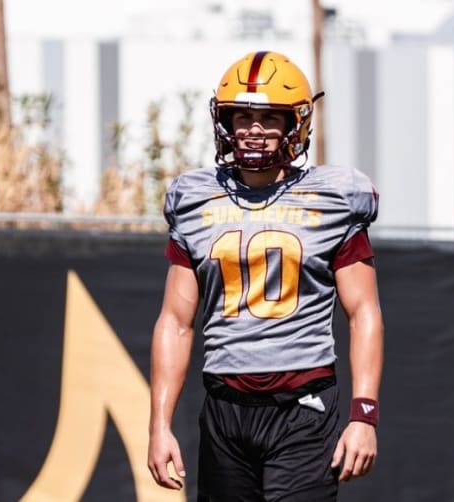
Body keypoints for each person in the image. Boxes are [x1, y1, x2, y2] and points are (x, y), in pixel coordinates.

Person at [147, 50, 384, 502]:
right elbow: (176, 322)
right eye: (242, 116)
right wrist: (159, 427)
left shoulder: (335, 197)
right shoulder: (193, 198)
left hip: (304, 404)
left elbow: (364, 311)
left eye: (269, 118)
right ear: (224, 120)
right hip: (225, 407)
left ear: (296, 123)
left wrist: (364, 415)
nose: (253, 130)